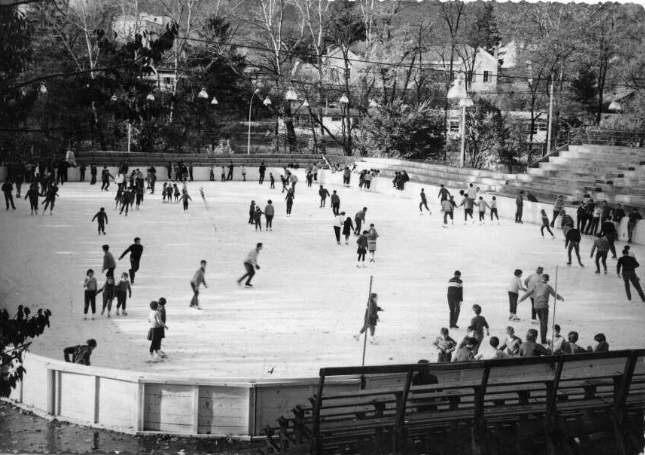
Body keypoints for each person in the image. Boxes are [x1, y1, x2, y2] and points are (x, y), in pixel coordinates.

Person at [519, 274, 564, 345]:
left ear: (541, 279)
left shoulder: (536, 285)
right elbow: (555, 295)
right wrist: (561, 298)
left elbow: (528, 294)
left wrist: (520, 300)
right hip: (544, 307)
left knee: (542, 322)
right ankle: (543, 341)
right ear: (548, 280)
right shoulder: (548, 286)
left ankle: (542, 338)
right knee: (544, 324)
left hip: (536, 306)